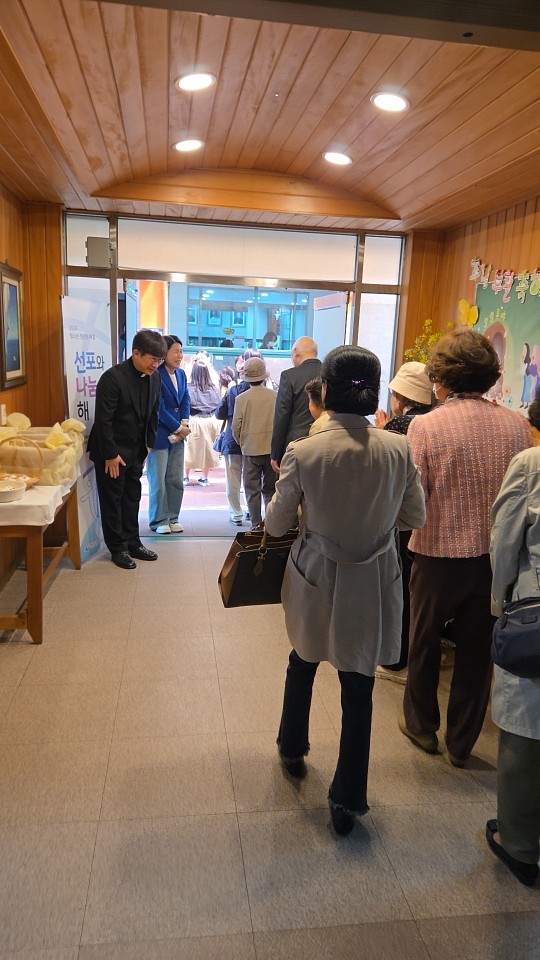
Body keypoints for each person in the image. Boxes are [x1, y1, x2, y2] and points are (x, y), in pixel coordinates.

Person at [265, 345, 426, 836]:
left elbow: (275, 525)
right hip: (373, 576)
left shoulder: (304, 451)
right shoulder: (398, 449)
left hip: (315, 569)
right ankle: (348, 799)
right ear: (374, 395)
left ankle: (292, 747)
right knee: (359, 686)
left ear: (326, 392)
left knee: (303, 659)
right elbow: (414, 517)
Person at [400, 330, 532, 766]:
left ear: (442, 376)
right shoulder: (516, 425)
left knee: (423, 640)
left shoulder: (425, 425)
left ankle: (421, 726)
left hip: (437, 553)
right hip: (496, 558)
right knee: (478, 649)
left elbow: (415, 499)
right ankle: (462, 743)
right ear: (490, 374)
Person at [486, 398, 540, 887]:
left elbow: (505, 541)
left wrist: (500, 602)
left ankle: (520, 845)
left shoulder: (531, 464)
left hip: (535, 612)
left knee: (526, 729)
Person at [373, 361, 433, 683]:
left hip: (403, 520)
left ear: (403, 397)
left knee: (400, 589)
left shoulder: (400, 424)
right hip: (431, 520)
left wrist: (383, 430)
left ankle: (396, 659)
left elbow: (386, 467)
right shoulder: (433, 419)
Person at [88, 328, 166, 569]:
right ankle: (117, 548)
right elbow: (104, 420)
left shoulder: (155, 377)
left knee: (132, 497)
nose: (156, 364)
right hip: (111, 451)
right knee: (112, 500)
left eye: (159, 360)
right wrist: (111, 454)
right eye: (152, 359)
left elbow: (154, 413)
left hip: (136, 450)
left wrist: (148, 446)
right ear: (136, 353)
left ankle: (133, 542)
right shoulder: (113, 378)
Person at [146, 335, 190, 535]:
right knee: (158, 479)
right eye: (175, 351)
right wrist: (177, 427)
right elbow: (158, 407)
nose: (179, 355)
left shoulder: (181, 374)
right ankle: (159, 519)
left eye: (181, 351)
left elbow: (185, 399)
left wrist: (184, 424)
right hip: (160, 434)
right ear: (164, 352)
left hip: (179, 434)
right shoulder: (156, 374)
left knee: (175, 478)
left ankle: (173, 516)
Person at [232, 356, 277, 528]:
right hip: (272, 450)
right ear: (264, 376)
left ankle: (256, 526)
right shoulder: (275, 396)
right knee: (270, 489)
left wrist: (242, 442)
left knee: (252, 490)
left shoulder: (241, 399)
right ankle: (272, 526)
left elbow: (236, 427)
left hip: (250, 449)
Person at [270, 336, 322, 473]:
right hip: (324, 441)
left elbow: (282, 415)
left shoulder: (289, 376)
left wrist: (275, 453)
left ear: (296, 352)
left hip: (296, 443)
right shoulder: (330, 373)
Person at [184, 360, 221, 485]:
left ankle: (185, 476)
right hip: (211, 421)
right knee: (208, 450)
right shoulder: (214, 388)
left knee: (189, 450)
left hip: (194, 421)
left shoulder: (188, 387)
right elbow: (218, 405)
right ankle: (204, 478)